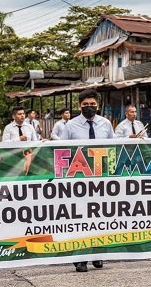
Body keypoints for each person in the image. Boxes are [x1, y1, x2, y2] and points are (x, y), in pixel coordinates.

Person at [64, 89, 113, 272]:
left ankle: (98, 254)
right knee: (79, 219)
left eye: (92, 105)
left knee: (100, 217)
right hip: (78, 180)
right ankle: (80, 258)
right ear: (79, 106)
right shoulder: (70, 126)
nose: (89, 108)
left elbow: (113, 150)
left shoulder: (106, 124)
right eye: (85, 105)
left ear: (98, 105)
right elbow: (61, 152)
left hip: (101, 180)